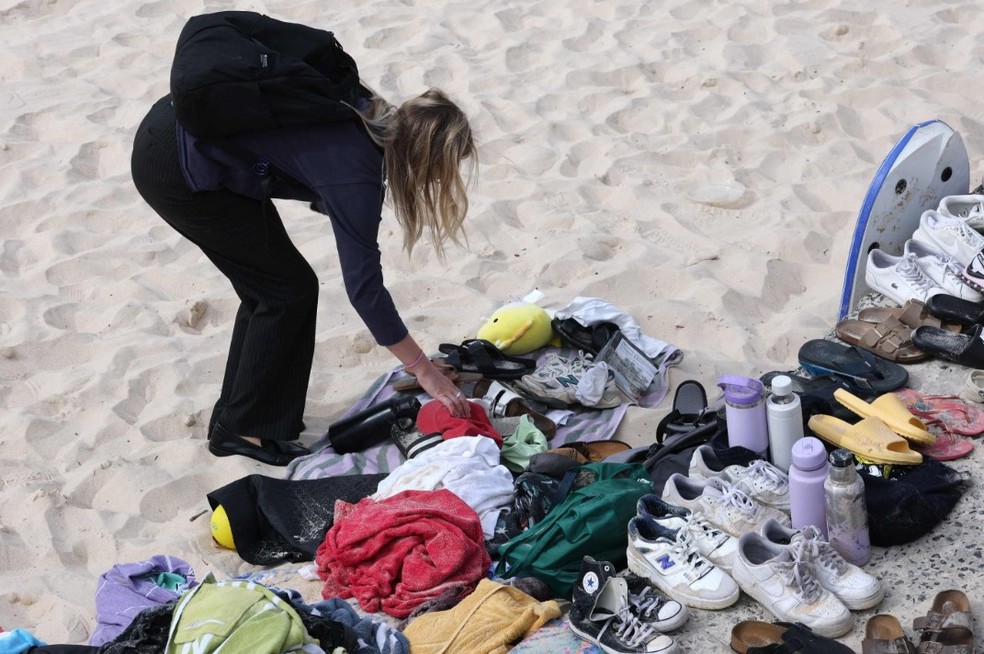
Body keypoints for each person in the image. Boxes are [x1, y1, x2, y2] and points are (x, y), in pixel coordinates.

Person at [130, 77, 478, 466]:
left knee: (274, 285)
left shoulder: (368, 111)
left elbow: (310, 162)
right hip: (175, 164)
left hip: (178, 124)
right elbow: (365, 289)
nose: (434, 182)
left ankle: (237, 418)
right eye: (439, 171)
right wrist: (423, 370)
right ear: (425, 157)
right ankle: (241, 430)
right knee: (285, 290)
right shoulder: (358, 170)